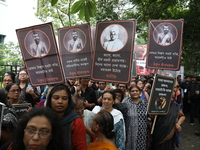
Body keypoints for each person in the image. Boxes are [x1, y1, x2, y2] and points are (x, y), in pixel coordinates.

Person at [46, 84, 87, 150]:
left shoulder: (76, 122)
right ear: (49, 100)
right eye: (56, 98)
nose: (60, 102)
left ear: (69, 102)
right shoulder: (43, 118)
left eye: (64, 99)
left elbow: (81, 147)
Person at [122, 85, 148, 150]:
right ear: (130, 93)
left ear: (139, 92)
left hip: (142, 132)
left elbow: (150, 115)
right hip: (130, 132)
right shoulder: (126, 104)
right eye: (132, 91)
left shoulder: (144, 104)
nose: (135, 92)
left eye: (137, 91)